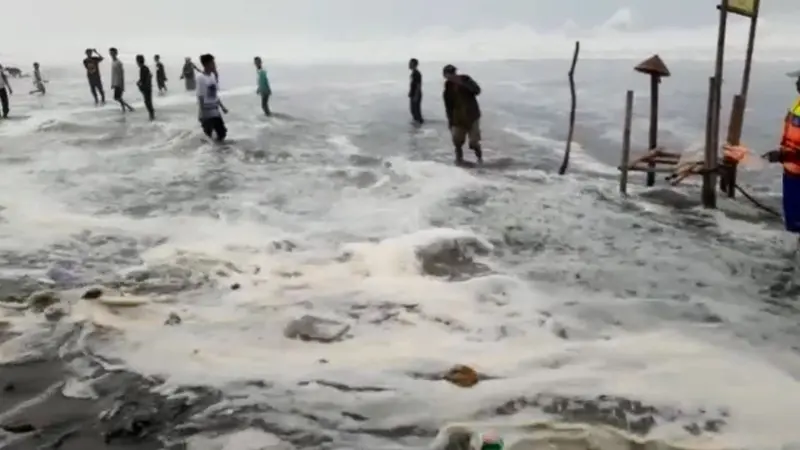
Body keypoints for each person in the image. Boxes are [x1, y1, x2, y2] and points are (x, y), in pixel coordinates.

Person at [725, 74, 800, 233]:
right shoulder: (797, 104)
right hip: (792, 172)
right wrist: (783, 154)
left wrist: (785, 156)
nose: (797, 83)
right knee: (793, 221)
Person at [442, 64, 482, 165]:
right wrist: (450, 121)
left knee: (473, 142)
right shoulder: (448, 86)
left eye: (452, 73)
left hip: (472, 115)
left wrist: (463, 84)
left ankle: (480, 160)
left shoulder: (465, 79)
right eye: (448, 75)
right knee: (457, 141)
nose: (451, 76)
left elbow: (477, 90)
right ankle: (459, 160)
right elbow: (448, 106)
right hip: (458, 118)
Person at [196, 53, 228, 142]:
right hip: (206, 111)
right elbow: (200, 96)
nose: (215, 65)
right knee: (209, 136)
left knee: (222, 133)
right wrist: (202, 113)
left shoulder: (212, 76)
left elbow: (214, 95)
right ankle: (207, 154)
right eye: (212, 63)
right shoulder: (200, 78)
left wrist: (222, 107)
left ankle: (217, 152)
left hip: (215, 110)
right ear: (206, 64)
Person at [109, 48, 134, 113]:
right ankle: (124, 109)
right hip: (115, 83)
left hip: (118, 83)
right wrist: (112, 83)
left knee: (117, 98)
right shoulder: (113, 62)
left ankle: (129, 107)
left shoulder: (118, 63)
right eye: (111, 53)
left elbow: (121, 74)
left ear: (116, 53)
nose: (111, 54)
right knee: (118, 97)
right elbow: (113, 74)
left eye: (113, 53)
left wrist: (120, 85)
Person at [136, 55, 155, 120]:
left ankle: (151, 116)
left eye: (137, 61)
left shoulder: (143, 69)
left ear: (138, 61)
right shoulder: (144, 68)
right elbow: (146, 77)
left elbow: (146, 78)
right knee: (148, 102)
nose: (137, 63)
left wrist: (140, 84)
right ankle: (151, 115)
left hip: (146, 88)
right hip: (147, 87)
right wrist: (139, 82)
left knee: (147, 102)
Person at [408, 58, 423, 124]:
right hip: (413, 94)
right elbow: (413, 84)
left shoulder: (417, 73)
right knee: (413, 110)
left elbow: (418, 85)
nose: (409, 65)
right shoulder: (414, 73)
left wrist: (416, 96)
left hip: (416, 94)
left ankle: (420, 123)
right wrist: (410, 92)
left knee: (416, 111)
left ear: (414, 65)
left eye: (410, 64)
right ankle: (417, 125)